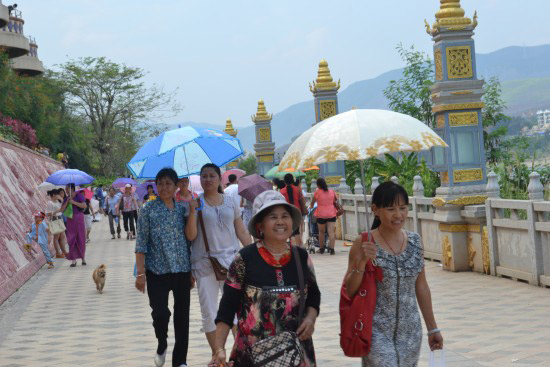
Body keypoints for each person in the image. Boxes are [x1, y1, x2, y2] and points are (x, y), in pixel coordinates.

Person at [212, 190, 320, 367]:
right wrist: (219, 349)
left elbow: (314, 296)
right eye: (273, 217)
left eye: (285, 216)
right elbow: (227, 307)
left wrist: (310, 319)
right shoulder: (245, 259)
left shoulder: (301, 257)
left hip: (296, 354)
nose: (280, 221)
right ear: (260, 226)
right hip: (254, 356)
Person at [345, 181, 443, 366]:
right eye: (390, 209)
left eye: (403, 208)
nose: (398, 215)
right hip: (375, 331)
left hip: (410, 332)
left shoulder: (415, 241)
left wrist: (432, 328)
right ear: (375, 209)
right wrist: (362, 262)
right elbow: (349, 290)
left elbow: (421, 286)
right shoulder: (364, 243)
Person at [189, 163, 251, 362]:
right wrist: (191, 212)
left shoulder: (230, 201)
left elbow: (240, 229)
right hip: (205, 263)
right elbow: (191, 236)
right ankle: (217, 354)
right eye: (204, 176)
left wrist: (251, 254)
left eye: (211, 175)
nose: (208, 179)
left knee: (235, 309)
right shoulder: (195, 203)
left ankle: (236, 354)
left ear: (219, 178)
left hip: (232, 261)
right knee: (209, 311)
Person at [135, 168, 197, 367]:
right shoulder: (148, 209)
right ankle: (162, 342)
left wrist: (193, 211)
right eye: (160, 183)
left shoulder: (182, 209)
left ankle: (180, 361)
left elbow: (190, 238)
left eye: (168, 183)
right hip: (156, 271)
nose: (163, 187)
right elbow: (141, 243)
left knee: (182, 317)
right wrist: (141, 273)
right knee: (160, 314)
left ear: (176, 186)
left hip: (181, 269)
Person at [59, 183, 87, 267]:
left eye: (67, 189)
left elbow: (84, 205)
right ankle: (73, 260)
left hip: (79, 218)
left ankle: (83, 258)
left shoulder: (79, 196)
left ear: (71, 189)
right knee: (71, 238)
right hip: (70, 219)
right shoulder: (67, 198)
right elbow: (61, 210)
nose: (66, 191)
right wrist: (67, 201)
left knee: (80, 238)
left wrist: (73, 202)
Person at [309, 178, 337, 255]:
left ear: (318, 185)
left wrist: (311, 206)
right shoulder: (332, 191)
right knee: (331, 232)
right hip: (331, 213)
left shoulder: (317, 192)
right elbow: (335, 201)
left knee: (321, 232)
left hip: (321, 214)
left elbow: (313, 202)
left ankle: (321, 249)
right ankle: (332, 249)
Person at [280, 173, 306, 246]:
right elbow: (302, 202)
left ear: (284, 181)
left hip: (286, 213)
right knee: (296, 231)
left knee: (289, 230)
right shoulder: (297, 189)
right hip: (297, 212)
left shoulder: (281, 191)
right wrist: (304, 211)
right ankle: (298, 247)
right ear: (292, 180)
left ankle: (292, 246)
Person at [46, 190, 67, 258]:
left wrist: (62, 200)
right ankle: (58, 253)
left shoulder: (58, 202)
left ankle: (64, 251)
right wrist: (56, 211)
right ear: (53, 195)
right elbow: (47, 213)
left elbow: (63, 208)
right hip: (55, 220)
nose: (58, 195)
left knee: (63, 236)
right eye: (57, 194)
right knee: (56, 237)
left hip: (60, 219)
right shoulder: (50, 203)